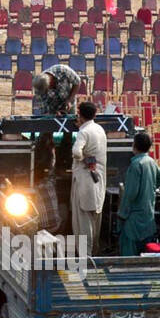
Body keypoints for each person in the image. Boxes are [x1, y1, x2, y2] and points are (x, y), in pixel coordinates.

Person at [117, 132, 160, 255]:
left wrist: (122, 214)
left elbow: (130, 194)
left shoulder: (135, 165)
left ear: (134, 146)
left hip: (134, 218)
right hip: (148, 214)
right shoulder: (151, 161)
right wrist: (150, 189)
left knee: (129, 254)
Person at [71, 101, 108, 245]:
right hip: (98, 181)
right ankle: (93, 254)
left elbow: (76, 152)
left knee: (83, 221)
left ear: (79, 115)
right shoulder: (99, 129)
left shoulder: (84, 132)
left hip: (84, 182)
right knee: (95, 219)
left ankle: (85, 258)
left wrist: (83, 158)